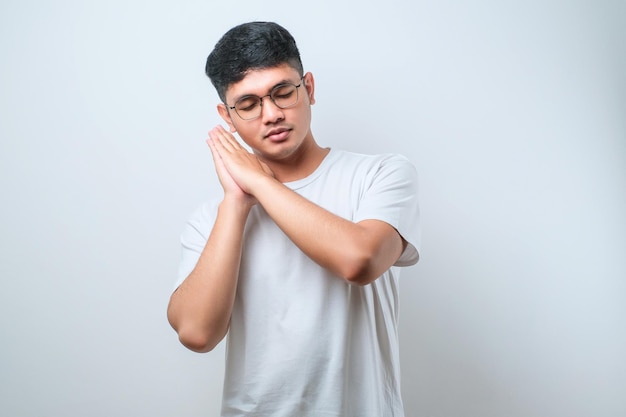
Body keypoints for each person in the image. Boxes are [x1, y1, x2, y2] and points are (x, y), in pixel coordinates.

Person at [167, 21, 420, 417]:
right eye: (248, 105)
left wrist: (258, 181)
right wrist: (236, 203)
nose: (271, 114)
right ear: (227, 116)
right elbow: (197, 333)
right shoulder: (211, 220)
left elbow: (360, 260)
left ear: (310, 89)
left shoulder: (380, 175)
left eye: (283, 92)